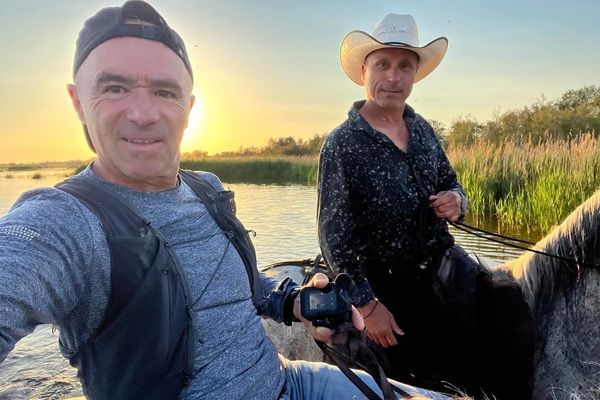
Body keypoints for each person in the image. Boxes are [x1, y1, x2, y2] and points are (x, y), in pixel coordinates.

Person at [0, 2, 451, 399]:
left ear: (190, 108)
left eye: (164, 91)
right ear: (78, 102)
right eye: (114, 87)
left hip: (287, 381)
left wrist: (293, 301)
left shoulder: (208, 190)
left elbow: (246, 286)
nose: (143, 112)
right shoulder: (61, 224)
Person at [317, 14, 480, 392]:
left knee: (492, 332)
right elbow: (334, 238)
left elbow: (451, 182)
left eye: (404, 66)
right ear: (363, 71)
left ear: (414, 75)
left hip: (440, 271)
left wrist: (457, 200)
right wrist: (367, 306)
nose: (393, 76)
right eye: (383, 64)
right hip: (384, 288)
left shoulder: (423, 129)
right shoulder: (342, 144)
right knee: (402, 383)